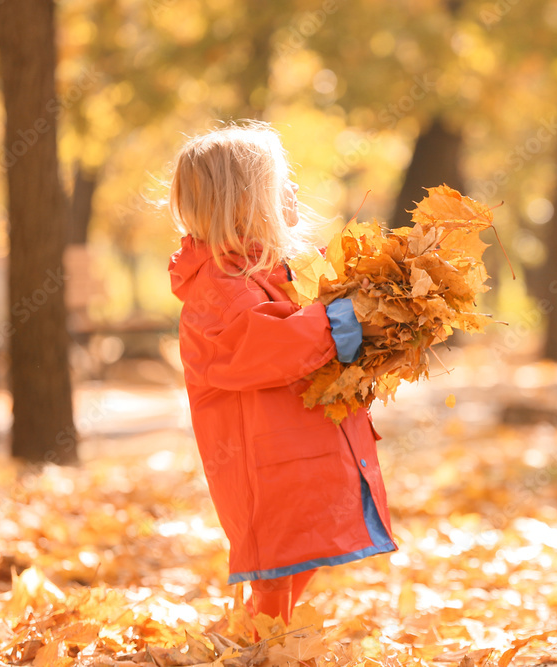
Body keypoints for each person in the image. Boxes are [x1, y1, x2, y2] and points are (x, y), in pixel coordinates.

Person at [166, 122, 396, 625]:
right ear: (244, 202)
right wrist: (343, 319)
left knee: (299, 554)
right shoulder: (217, 290)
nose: (293, 189)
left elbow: (313, 321)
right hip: (263, 461)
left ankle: (263, 634)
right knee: (278, 561)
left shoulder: (278, 269)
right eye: (280, 181)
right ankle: (262, 641)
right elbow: (269, 343)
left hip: (300, 448)